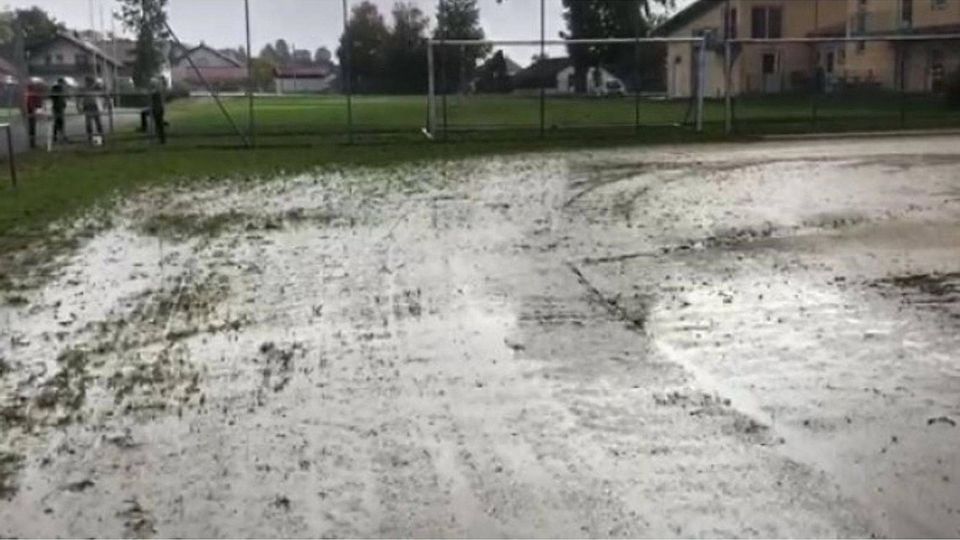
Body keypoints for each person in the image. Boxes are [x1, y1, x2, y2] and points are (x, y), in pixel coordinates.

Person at [80, 76, 104, 143]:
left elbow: (102, 90)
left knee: (98, 123)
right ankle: (90, 137)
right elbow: (81, 98)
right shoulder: (84, 89)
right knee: (89, 124)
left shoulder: (95, 88)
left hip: (94, 106)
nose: (87, 83)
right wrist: (81, 106)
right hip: (88, 106)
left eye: (88, 82)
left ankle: (101, 136)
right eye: (87, 82)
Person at [25, 82, 46, 149]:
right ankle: (32, 144)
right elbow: (32, 104)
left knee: (32, 127)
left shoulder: (32, 94)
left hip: (31, 111)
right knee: (32, 127)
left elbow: (38, 103)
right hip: (31, 112)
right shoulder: (31, 94)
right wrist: (36, 112)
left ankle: (32, 143)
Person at [50, 78, 68, 143]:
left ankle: (60, 136)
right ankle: (59, 137)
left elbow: (62, 98)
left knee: (59, 123)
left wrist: (64, 104)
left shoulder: (60, 89)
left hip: (59, 107)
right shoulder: (56, 89)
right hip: (57, 108)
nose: (64, 85)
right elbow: (54, 97)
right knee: (59, 122)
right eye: (63, 83)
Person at [150, 80, 167, 145]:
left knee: (159, 125)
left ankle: (162, 139)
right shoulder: (157, 92)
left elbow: (156, 101)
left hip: (158, 109)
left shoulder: (156, 92)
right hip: (158, 109)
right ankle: (161, 139)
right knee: (158, 125)